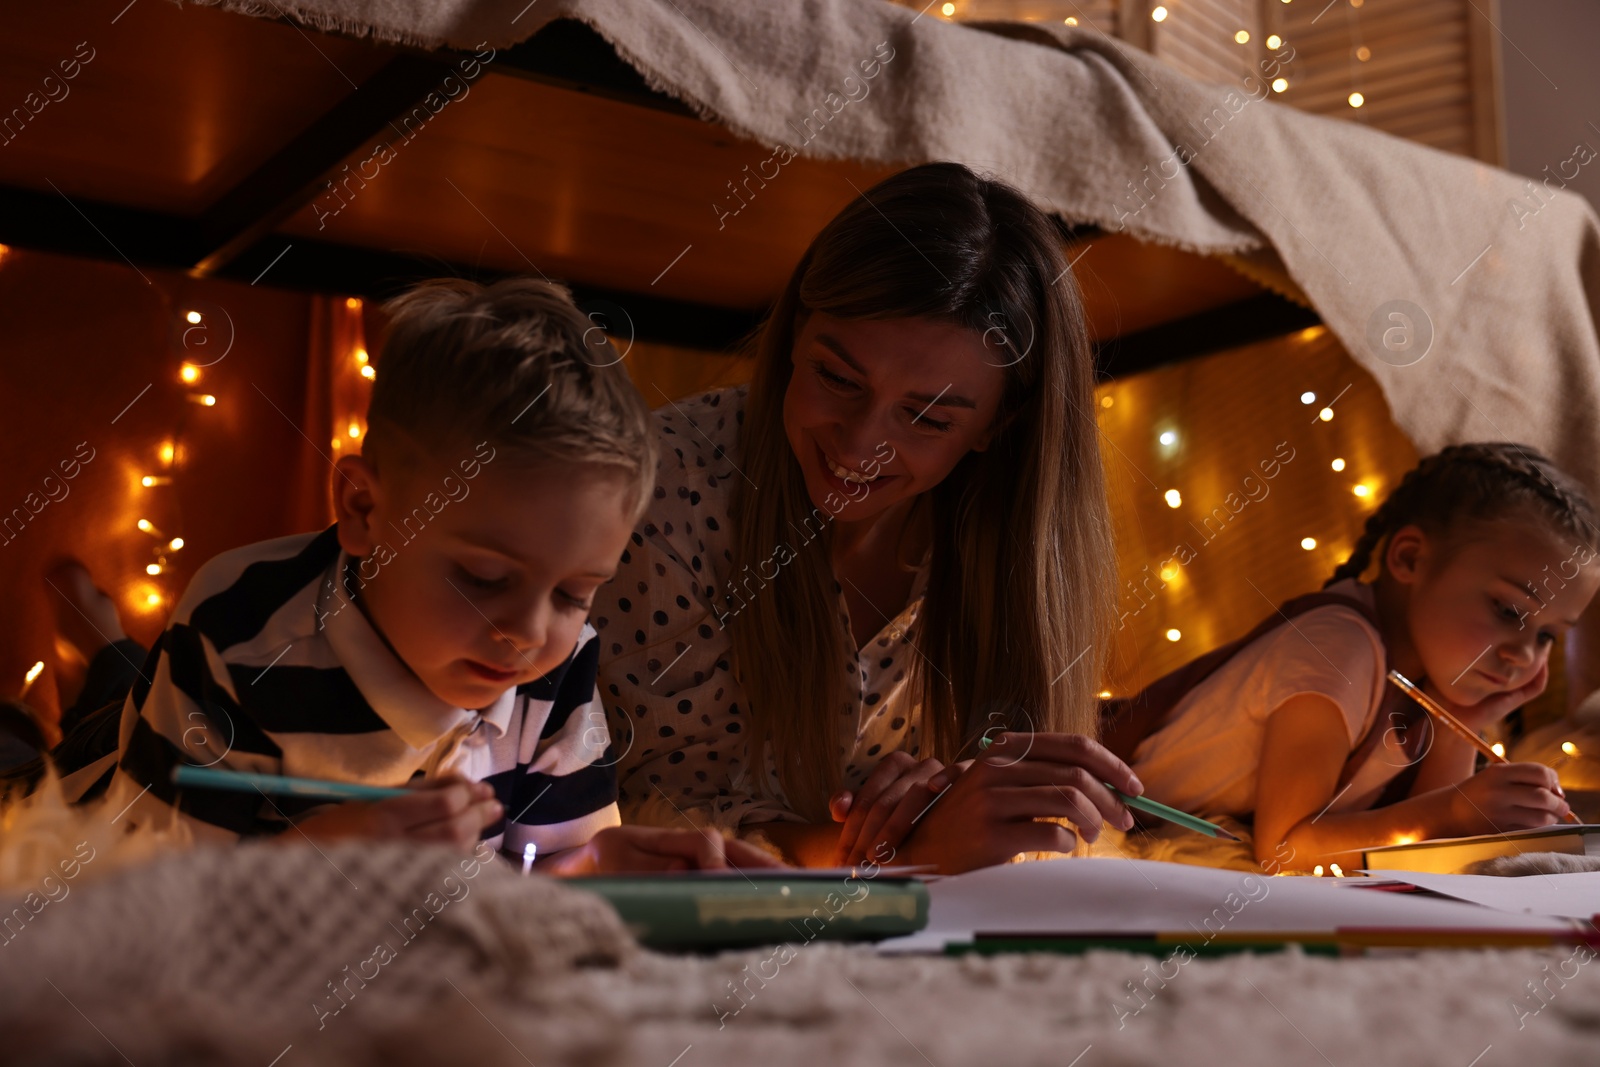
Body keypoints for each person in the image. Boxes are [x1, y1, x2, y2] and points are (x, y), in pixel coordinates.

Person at [99, 278, 779, 875]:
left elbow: (547, 861)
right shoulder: (237, 634)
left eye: (574, 594)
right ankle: (104, 640)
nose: (528, 633)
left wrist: (601, 869)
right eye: (484, 577)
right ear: (365, 510)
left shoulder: (556, 661)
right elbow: (150, 897)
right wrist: (319, 854)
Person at [594, 161, 1144, 873]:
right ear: (794, 332)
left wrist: (953, 811)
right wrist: (907, 847)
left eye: (925, 417)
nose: (858, 445)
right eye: (837, 378)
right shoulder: (666, 495)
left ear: (996, 426)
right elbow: (660, 822)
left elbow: (1003, 835)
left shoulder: (1009, 540)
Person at [1124, 443, 1600, 870]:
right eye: (1509, 610)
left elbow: (1431, 835)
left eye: (1548, 637)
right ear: (1410, 558)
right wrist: (1453, 809)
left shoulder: (1426, 674)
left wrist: (1463, 723)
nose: (1523, 654)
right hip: (1127, 820)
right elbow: (1285, 850)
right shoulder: (1337, 649)